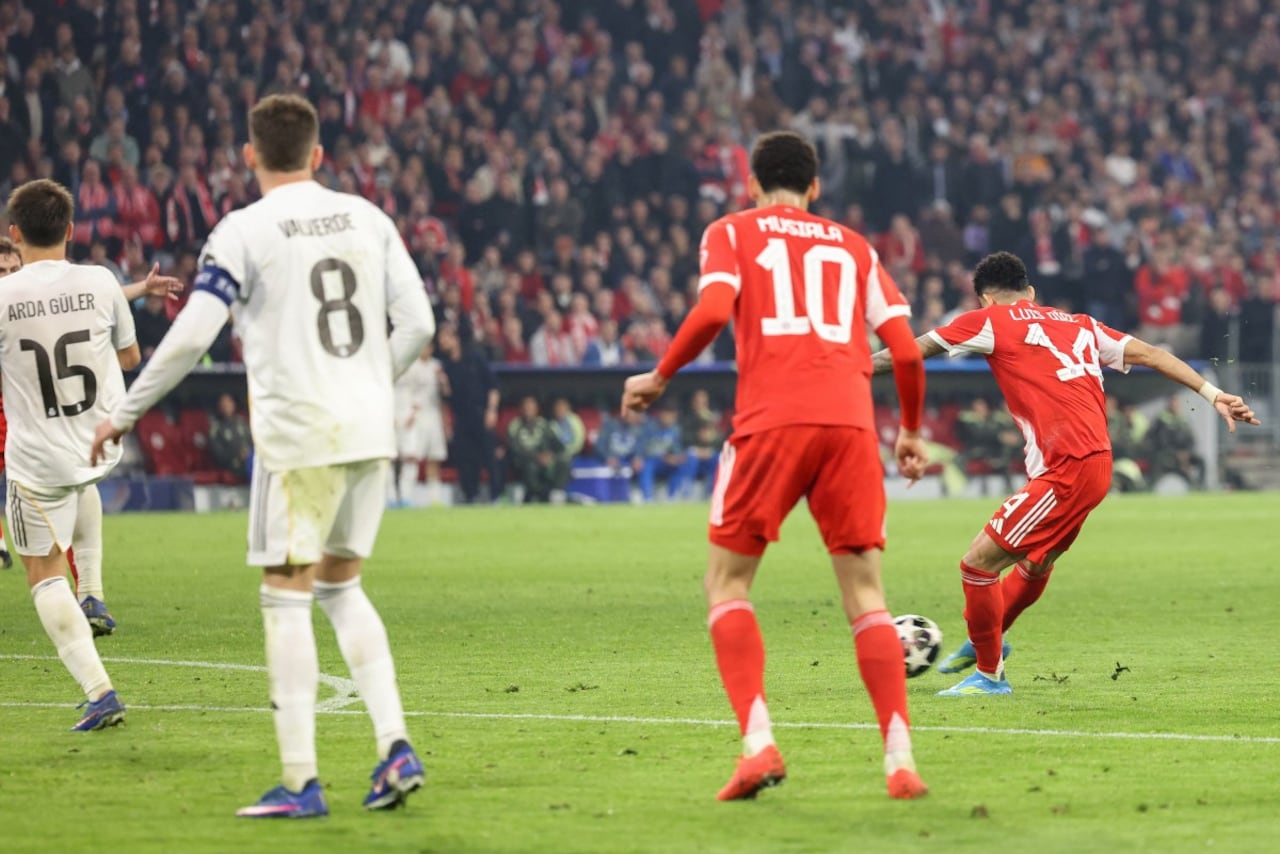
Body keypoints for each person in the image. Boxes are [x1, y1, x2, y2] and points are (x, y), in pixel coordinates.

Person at [91, 95, 436, 818]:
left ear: (248, 156)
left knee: (285, 596)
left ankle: (302, 782)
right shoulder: (368, 218)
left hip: (299, 434)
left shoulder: (243, 229)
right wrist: (372, 380)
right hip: (370, 429)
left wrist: (123, 413)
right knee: (341, 587)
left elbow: (190, 338)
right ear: (318, 155)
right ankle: (395, 743)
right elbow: (420, 322)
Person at [622, 131, 930, 801]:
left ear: (754, 185)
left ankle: (759, 744)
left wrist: (660, 374)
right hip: (850, 427)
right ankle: (899, 761)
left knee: (727, 584)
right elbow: (906, 352)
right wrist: (907, 431)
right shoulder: (855, 246)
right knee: (867, 597)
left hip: (770, 423)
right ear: (816, 187)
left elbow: (711, 310)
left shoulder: (732, 232)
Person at [871, 251, 1258, 696]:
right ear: (1031, 291)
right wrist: (1214, 393)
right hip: (1097, 463)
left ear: (982, 300)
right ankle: (988, 642)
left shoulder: (989, 321)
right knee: (1036, 563)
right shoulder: (1081, 324)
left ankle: (989, 673)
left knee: (977, 565)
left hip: (1067, 468)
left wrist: (850, 367)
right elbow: (1151, 353)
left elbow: (907, 351)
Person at [0, 179, 141, 730]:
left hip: (37, 460)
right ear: (70, 230)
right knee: (82, 484)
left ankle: (99, 690)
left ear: (15, 234)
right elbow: (128, 357)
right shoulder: (102, 281)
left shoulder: (4, 295)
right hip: (97, 440)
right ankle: (96, 593)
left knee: (42, 573)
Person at [0, 235, 181, 639]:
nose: (10, 276)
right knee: (70, 481)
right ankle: (84, 593)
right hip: (36, 406)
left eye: (12, 269)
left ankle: (83, 596)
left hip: (32, 411)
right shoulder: (69, 287)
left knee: (58, 494)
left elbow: (77, 301)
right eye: (2, 273)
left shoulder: (21, 300)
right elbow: (89, 298)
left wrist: (139, 289)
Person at [437, 322, 503, 503]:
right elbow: (447, 399)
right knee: (465, 459)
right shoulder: (446, 366)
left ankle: (496, 496)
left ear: (455, 339)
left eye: (445, 337)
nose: (442, 342)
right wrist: (444, 386)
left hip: (481, 413)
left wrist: (491, 410)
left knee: (489, 457)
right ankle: (470, 496)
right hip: (461, 418)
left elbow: (493, 386)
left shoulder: (475, 357)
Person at [392, 342, 450, 507]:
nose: (426, 350)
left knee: (435, 458)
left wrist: (443, 382)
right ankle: (405, 497)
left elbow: (444, 395)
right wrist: (408, 413)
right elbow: (406, 394)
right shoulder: (410, 367)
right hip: (416, 418)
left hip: (434, 417)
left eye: (428, 347)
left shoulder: (436, 366)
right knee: (412, 458)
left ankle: (435, 499)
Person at [638, 402, 695, 501]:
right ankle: (647, 497)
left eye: (673, 417)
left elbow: (677, 448)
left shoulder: (675, 430)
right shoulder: (650, 427)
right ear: (662, 414)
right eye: (668, 415)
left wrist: (678, 456)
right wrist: (664, 457)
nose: (670, 419)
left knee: (685, 462)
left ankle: (673, 495)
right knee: (646, 465)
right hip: (652, 461)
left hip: (667, 463)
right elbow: (644, 449)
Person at [1144, 396, 1205, 488]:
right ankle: (1153, 485)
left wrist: (1187, 452)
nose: (1175, 405)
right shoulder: (1161, 420)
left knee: (1201, 461)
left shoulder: (1184, 420)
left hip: (1185, 453)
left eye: (1176, 403)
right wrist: (1176, 453)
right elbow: (1162, 441)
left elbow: (1191, 439)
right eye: (1172, 403)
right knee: (1159, 460)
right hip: (1167, 452)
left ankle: (1199, 486)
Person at [208, 392, 252, 481]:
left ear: (233, 405)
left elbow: (251, 441)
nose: (226, 406)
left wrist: (248, 453)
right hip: (232, 465)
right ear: (219, 407)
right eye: (223, 404)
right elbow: (219, 456)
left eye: (228, 403)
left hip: (249, 460)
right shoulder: (216, 428)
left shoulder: (241, 422)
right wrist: (238, 455)